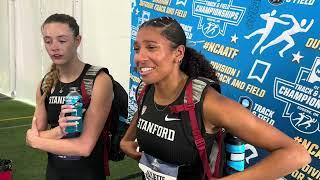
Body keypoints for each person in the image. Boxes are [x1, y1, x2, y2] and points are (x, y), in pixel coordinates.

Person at [120, 16, 311, 180]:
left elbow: (296, 154)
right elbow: (148, 112)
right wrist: (126, 140)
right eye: (137, 49)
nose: (139, 57)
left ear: (178, 53)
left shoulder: (208, 103)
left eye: (151, 48)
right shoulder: (146, 90)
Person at [25, 13, 113, 180]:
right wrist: (59, 131)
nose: (54, 47)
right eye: (48, 41)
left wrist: (35, 140)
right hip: (53, 175)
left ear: (77, 41)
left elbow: (84, 147)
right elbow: (37, 132)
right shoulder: (45, 84)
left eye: (62, 40)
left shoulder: (99, 81)